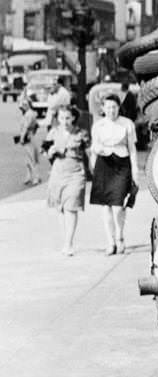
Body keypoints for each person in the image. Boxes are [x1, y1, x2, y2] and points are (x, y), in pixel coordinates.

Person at [89, 92, 139, 255]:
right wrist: (93, 164)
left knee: (118, 205)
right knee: (106, 206)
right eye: (108, 107)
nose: (112, 111)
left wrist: (135, 170)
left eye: (114, 107)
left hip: (121, 164)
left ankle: (120, 236)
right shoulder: (98, 126)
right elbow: (94, 148)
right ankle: (110, 241)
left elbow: (132, 149)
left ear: (119, 108)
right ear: (103, 108)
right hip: (104, 165)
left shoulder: (127, 124)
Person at [45, 104, 91, 256]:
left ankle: (69, 243)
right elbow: (46, 152)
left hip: (76, 173)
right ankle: (65, 240)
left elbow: (90, 153)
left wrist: (93, 170)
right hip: (58, 173)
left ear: (73, 118)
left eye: (68, 118)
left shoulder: (81, 133)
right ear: (58, 118)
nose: (65, 121)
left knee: (71, 207)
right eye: (62, 118)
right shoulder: (53, 133)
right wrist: (50, 152)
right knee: (61, 208)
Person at [15, 96, 42, 185]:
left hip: (28, 138)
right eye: (23, 104)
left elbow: (26, 127)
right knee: (28, 158)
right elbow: (37, 125)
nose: (24, 106)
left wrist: (22, 138)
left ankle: (36, 177)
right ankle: (29, 176)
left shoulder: (29, 114)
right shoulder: (29, 113)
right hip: (30, 136)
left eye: (26, 104)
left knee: (31, 158)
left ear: (30, 105)